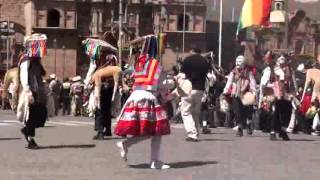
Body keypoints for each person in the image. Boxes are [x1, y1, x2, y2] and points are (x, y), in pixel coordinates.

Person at [114, 36, 170, 169]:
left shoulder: (139, 63)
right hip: (148, 97)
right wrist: (171, 85)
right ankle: (154, 161)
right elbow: (161, 84)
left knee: (151, 131)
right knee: (156, 131)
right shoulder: (156, 64)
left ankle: (127, 145)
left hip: (135, 96)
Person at [19, 34, 48, 149]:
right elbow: (24, 76)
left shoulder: (36, 60)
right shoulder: (26, 59)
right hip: (30, 91)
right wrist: (27, 91)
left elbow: (41, 74)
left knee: (41, 114)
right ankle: (30, 139)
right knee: (31, 116)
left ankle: (27, 130)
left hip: (38, 91)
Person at [179, 49, 210, 141]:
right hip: (200, 89)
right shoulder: (204, 61)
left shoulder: (187, 60)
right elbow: (207, 73)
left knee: (186, 112)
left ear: (192, 51)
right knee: (195, 113)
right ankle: (196, 132)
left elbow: (182, 73)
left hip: (188, 88)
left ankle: (192, 134)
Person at [223, 55, 256, 137]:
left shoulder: (248, 72)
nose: (238, 63)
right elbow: (229, 82)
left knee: (248, 111)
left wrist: (254, 92)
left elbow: (252, 82)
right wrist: (225, 91)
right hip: (236, 94)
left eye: (240, 62)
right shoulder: (233, 72)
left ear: (243, 63)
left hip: (246, 94)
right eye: (237, 61)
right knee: (238, 112)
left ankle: (248, 124)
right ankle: (240, 128)